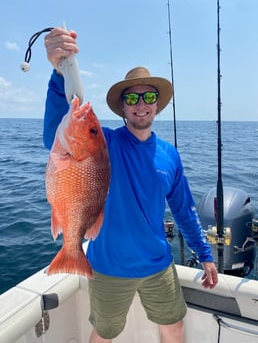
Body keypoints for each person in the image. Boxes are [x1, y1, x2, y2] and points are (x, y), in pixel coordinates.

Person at [43, 27, 218, 343]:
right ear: (122, 107)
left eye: (149, 96)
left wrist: (204, 253)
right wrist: (59, 73)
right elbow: (54, 135)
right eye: (132, 97)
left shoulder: (170, 155)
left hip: (158, 265)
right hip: (108, 267)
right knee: (105, 333)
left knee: (174, 327)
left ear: (157, 105)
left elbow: (184, 211)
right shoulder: (103, 142)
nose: (141, 103)